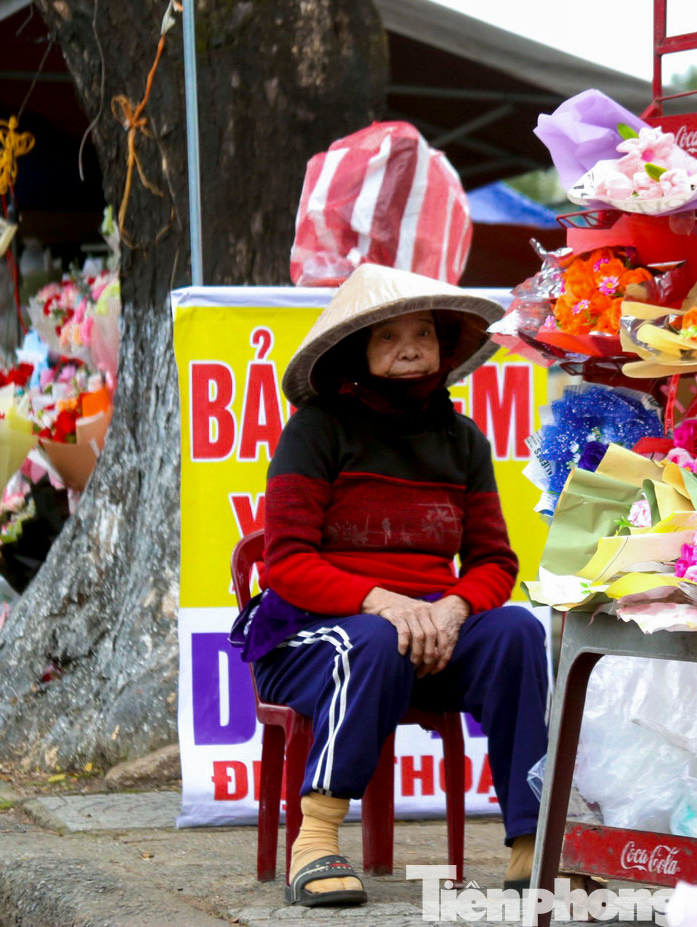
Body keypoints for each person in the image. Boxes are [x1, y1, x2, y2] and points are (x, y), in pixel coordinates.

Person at [230, 264, 549, 908]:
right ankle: (315, 837)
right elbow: (285, 562)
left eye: (424, 333)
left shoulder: (464, 441)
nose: (410, 348)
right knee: (372, 640)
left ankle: (530, 845)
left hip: (430, 635)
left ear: (443, 347)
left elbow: (494, 561)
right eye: (388, 337)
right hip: (308, 639)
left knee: (519, 630)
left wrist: (455, 609)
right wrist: (385, 603)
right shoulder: (317, 430)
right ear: (358, 353)